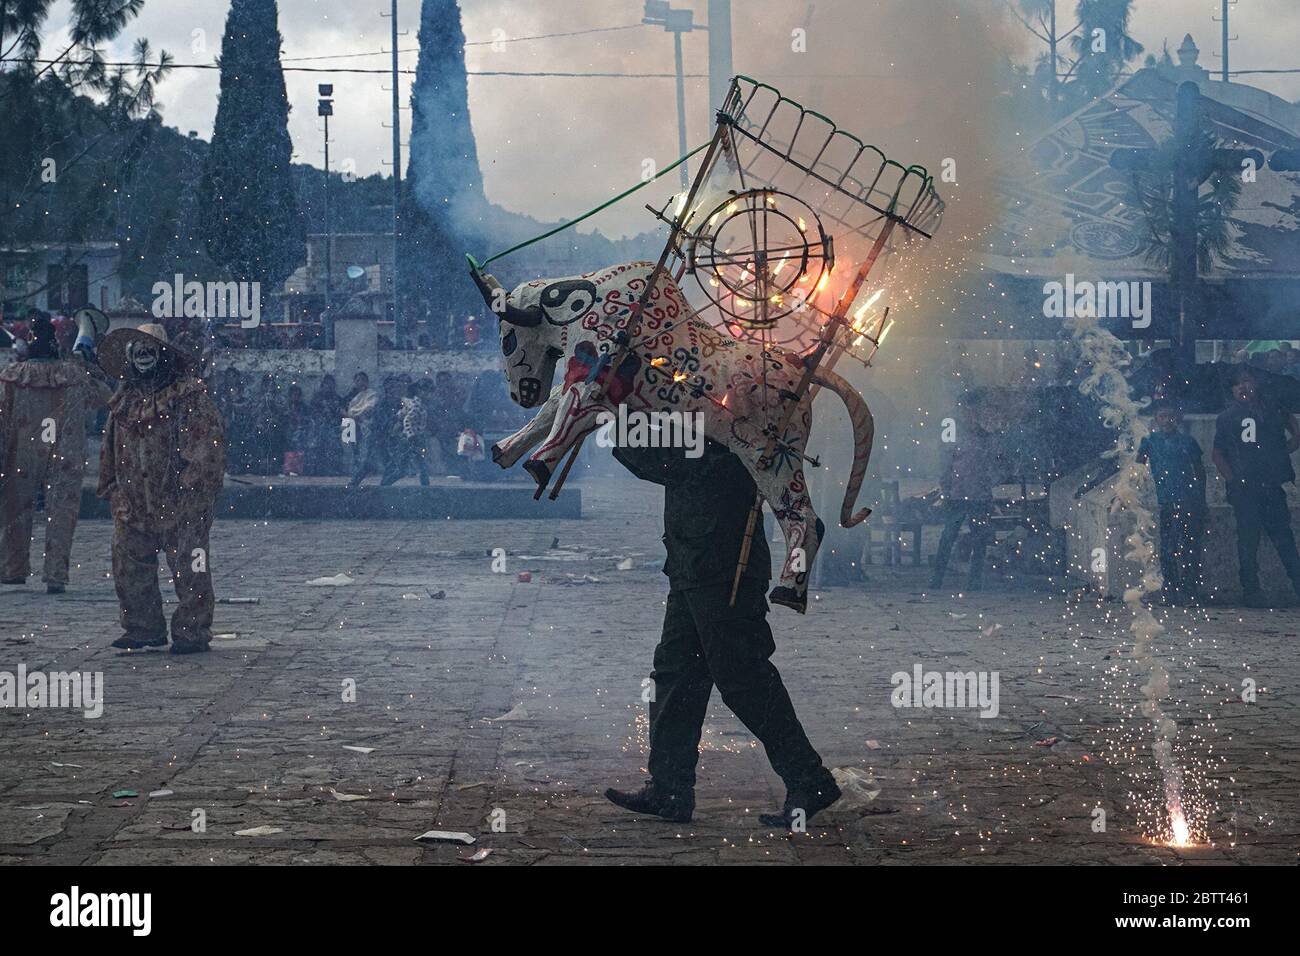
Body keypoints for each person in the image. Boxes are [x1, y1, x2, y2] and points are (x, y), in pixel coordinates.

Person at [604, 439, 841, 828]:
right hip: (690, 566)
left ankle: (809, 778)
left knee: (744, 678)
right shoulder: (704, 421)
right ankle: (670, 788)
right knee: (675, 676)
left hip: (723, 570)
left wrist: (621, 427)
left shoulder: (731, 433)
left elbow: (667, 464)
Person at [97, 323, 227, 653]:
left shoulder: (187, 395)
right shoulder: (123, 401)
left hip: (180, 501)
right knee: (128, 565)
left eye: (149, 348)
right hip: (133, 502)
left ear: (163, 353)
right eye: (137, 349)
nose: (143, 354)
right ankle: (143, 628)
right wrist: (113, 487)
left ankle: (192, 631)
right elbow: (109, 446)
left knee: (190, 566)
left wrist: (193, 491)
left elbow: (206, 447)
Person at [0, 313, 113, 592]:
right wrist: (87, 366)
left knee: (15, 508)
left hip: (22, 449)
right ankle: (56, 574)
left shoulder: (12, 376)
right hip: (66, 449)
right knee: (62, 510)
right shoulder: (73, 374)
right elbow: (103, 397)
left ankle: (13, 569)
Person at [1212, 366, 1300, 607]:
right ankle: (1251, 591)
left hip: (1270, 486)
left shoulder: (1271, 410)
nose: (1243, 387)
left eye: (1247, 381)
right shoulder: (1227, 417)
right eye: (1238, 384)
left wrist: (1284, 451)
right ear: (1232, 390)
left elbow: (1294, 428)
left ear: (1255, 385)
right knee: (1248, 542)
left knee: (1284, 539)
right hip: (1245, 490)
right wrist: (1233, 480)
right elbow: (1217, 454)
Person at [1137, 403, 1207, 605]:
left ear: (1177, 419)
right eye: (1162, 416)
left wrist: (1201, 500)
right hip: (1166, 501)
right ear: (1156, 420)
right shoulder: (1150, 441)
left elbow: (1200, 472)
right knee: (1168, 548)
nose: (1167, 420)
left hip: (1189, 501)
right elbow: (1138, 467)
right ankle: (1170, 589)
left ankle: (1189, 591)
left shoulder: (1188, 441)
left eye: (1170, 416)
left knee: (1188, 548)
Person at [929, 404, 1000, 591]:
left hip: (980, 496)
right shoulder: (953, 435)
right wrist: (945, 488)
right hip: (958, 495)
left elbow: (993, 466)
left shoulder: (987, 438)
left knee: (979, 539)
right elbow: (946, 464)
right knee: (948, 537)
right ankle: (937, 578)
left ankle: (975, 580)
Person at [306, 374, 346, 475]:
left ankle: (334, 469)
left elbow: (342, 414)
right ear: (323, 385)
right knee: (318, 446)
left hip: (334, 427)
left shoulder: (337, 398)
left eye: (331, 384)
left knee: (334, 446)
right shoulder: (317, 398)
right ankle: (318, 470)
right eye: (326, 384)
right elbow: (312, 414)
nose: (329, 386)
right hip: (318, 428)